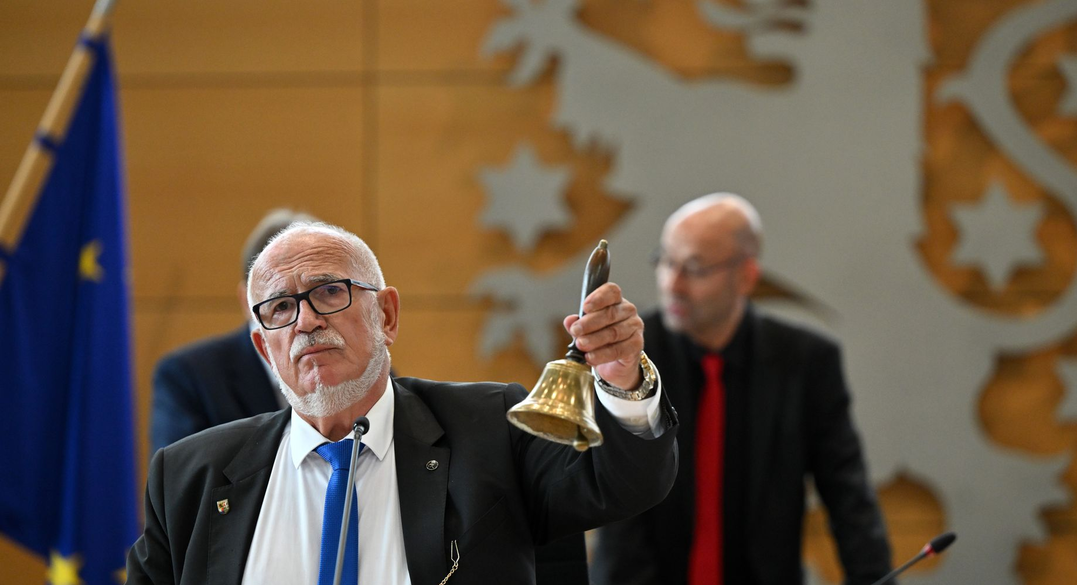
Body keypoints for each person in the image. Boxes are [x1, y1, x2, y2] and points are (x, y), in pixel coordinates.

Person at [126, 221, 677, 585]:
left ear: (386, 316)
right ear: (264, 350)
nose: (307, 321)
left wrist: (621, 380)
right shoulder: (190, 476)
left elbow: (622, 483)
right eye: (279, 309)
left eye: (328, 292)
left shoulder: (492, 430)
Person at [591, 193, 893, 585]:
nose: (672, 283)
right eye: (666, 261)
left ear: (747, 275)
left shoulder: (806, 361)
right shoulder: (628, 358)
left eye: (694, 268)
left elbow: (849, 497)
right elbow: (613, 491)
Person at [148, 208, 311, 454]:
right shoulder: (189, 377)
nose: (307, 318)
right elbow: (180, 486)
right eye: (283, 304)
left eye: (326, 293)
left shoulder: (362, 367)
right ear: (247, 302)